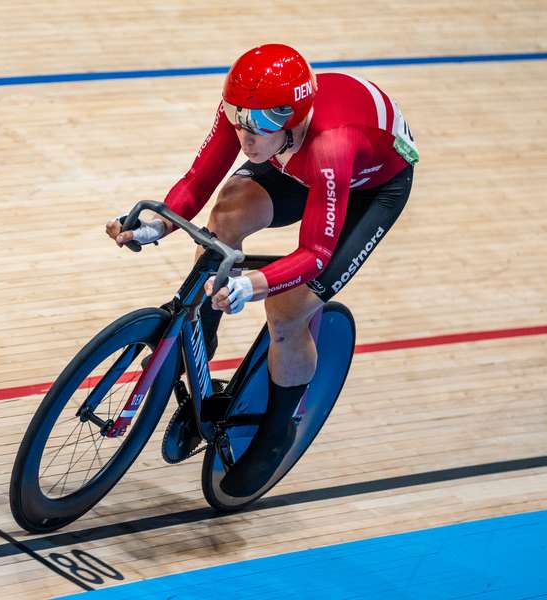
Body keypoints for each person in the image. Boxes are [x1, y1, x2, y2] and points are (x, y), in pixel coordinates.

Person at [105, 43, 418, 496]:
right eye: (237, 117)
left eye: (261, 124)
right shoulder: (253, 115)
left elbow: (314, 253)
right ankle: (201, 335)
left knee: (287, 311)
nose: (245, 135)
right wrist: (157, 225)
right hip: (296, 161)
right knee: (228, 212)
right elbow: (199, 181)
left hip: (371, 186)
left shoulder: (330, 144)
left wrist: (250, 286)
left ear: (292, 117)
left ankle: (276, 434)